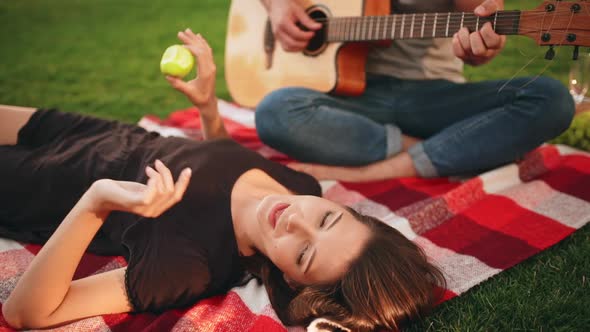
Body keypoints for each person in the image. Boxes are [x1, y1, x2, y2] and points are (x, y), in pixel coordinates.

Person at [0, 30, 444, 331]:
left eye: (305, 253)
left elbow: (26, 313)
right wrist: (208, 106)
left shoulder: (189, 267)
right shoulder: (302, 188)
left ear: (292, 282)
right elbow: (226, 162)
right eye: (327, 220)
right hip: (94, 131)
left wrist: (96, 203)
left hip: (40, 184)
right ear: (341, 208)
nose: (295, 222)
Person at [255, 0, 576, 182]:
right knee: (274, 112)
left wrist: (483, 48)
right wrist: (277, 5)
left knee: (551, 99)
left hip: (431, 97)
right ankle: (451, 148)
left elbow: (482, 19)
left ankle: (383, 167)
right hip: (348, 97)